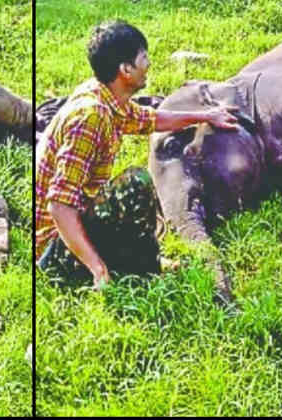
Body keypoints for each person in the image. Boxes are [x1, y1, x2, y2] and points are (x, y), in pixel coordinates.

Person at [34, 20, 239, 290]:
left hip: (74, 220)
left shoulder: (105, 95)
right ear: (125, 70)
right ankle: (123, 269)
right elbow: (59, 206)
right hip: (53, 250)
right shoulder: (91, 118)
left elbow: (148, 119)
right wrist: (97, 267)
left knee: (130, 196)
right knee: (135, 184)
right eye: (143, 58)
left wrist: (204, 115)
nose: (149, 64)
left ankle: (135, 261)